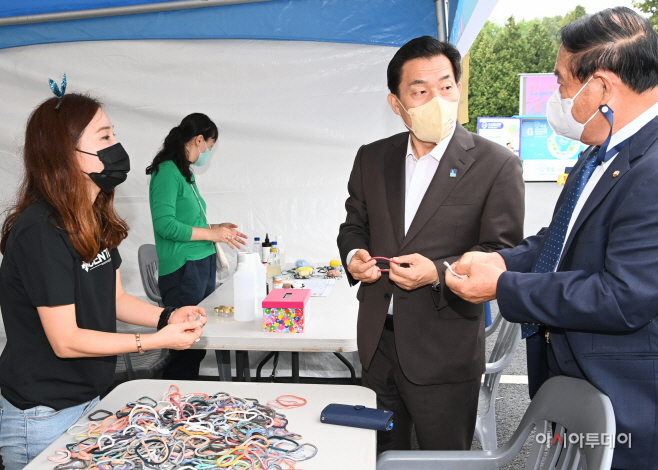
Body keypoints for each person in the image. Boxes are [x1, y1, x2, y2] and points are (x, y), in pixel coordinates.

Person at [446, 8, 658, 470]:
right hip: (578, 380)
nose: (559, 97)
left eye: (563, 83)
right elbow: (558, 241)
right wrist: (503, 263)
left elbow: (624, 298)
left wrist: (503, 289)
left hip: (628, 400)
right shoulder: (600, 152)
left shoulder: (652, 169)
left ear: (601, 85)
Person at [336, 36, 525, 452]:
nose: (437, 99)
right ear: (396, 103)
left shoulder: (496, 164)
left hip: (444, 347)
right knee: (379, 454)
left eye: (446, 86)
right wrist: (354, 255)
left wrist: (438, 271)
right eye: (420, 91)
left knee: (443, 458)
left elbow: (503, 252)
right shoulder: (372, 157)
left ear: (459, 89)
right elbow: (354, 224)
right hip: (377, 341)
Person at [0, 92, 207, 470]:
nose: (117, 147)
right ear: (66, 153)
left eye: (114, 135)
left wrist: (168, 316)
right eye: (105, 137)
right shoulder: (41, 232)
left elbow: (115, 299)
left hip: (88, 399)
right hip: (43, 414)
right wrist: (155, 342)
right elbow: (65, 341)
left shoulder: (91, 217)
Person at [146, 113, 247, 380]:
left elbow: (187, 223)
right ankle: (172, 404)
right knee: (184, 348)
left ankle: (186, 402)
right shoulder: (167, 171)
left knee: (195, 347)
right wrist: (212, 233)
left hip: (199, 265)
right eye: (210, 146)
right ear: (199, 140)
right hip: (183, 271)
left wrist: (215, 228)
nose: (208, 153)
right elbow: (165, 225)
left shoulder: (183, 173)